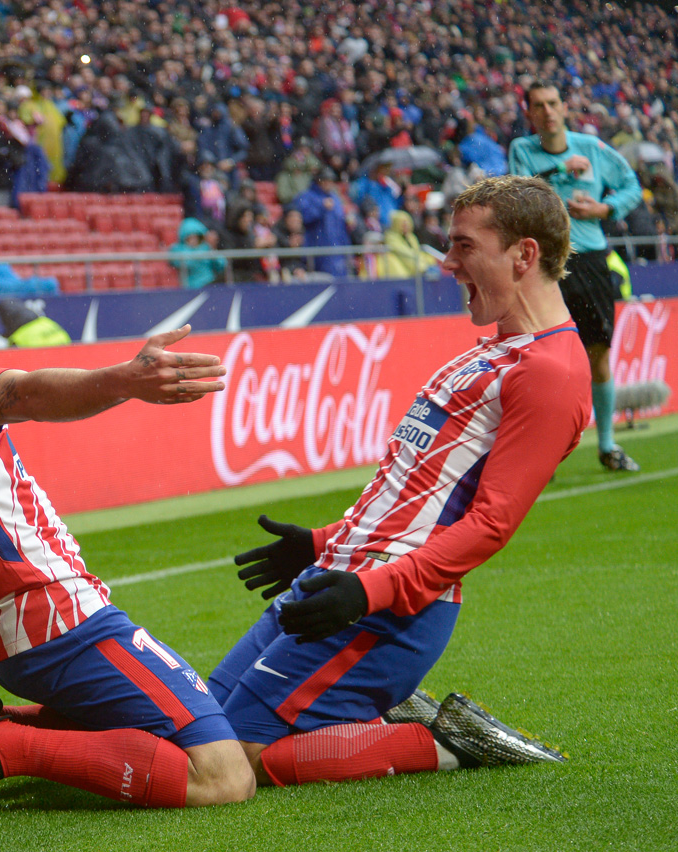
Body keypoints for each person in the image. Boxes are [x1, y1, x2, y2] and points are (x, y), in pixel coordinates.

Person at [0, 208, 254, 827]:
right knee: (223, 773)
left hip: (18, 622)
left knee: (188, 728)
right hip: (53, 617)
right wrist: (127, 379)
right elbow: (23, 392)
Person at [209, 175, 588, 789]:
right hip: (339, 578)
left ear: (524, 255)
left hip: (391, 607)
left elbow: (490, 524)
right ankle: (384, 710)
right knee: (205, 730)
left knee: (240, 760)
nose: (446, 262)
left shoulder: (550, 371)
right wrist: (319, 543)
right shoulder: (489, 353)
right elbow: (416, 492)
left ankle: (446, 740)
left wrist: (368, 592)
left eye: (465, 247)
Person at [508, 81, 644, 472]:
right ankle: (543, 451)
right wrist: (557, 170)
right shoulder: (522, 151)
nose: (548, 111)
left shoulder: (593, 148)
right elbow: (519, 197)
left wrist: (604, 209)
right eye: (539, 105)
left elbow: (631, 185)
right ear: (529, 114)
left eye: (553, 103)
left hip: (591, 259)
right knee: (545, 360)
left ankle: (607, 445)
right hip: (547, 264)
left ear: (564, 107)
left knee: (598, 352)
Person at [292, 167, 352, 278]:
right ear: (319, 180)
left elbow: (340, 225)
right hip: (318, 250)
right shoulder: (306, 196)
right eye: (326, 180)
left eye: (331, 181)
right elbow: (302, 218)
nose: (329, 184)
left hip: (338, 250)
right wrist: (321, 207)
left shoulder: (335, 198)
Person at [169, 217, 227, 288]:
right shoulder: (178, 249)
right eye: (190, 238)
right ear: (184, 238)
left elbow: (221, 265)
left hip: (210, 284)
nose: (193, 240)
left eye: (195, 237)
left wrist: (212, 250)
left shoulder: (207, 247)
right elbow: (186, 263)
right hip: (191, 287)